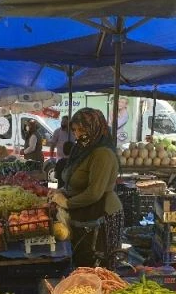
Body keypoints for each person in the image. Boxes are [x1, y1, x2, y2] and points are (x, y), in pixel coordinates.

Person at [49, 108, 123, 268]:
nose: (77, 134)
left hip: (102, 216)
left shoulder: (102, 154)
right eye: (75, 130)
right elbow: (74, 179)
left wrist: (67, 203)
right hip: (86, 214)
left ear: (95, 128)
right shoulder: (83, 150)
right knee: (83, 263)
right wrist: (63, 191)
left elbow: (94, 193)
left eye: (82, 130)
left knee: (97, 266)